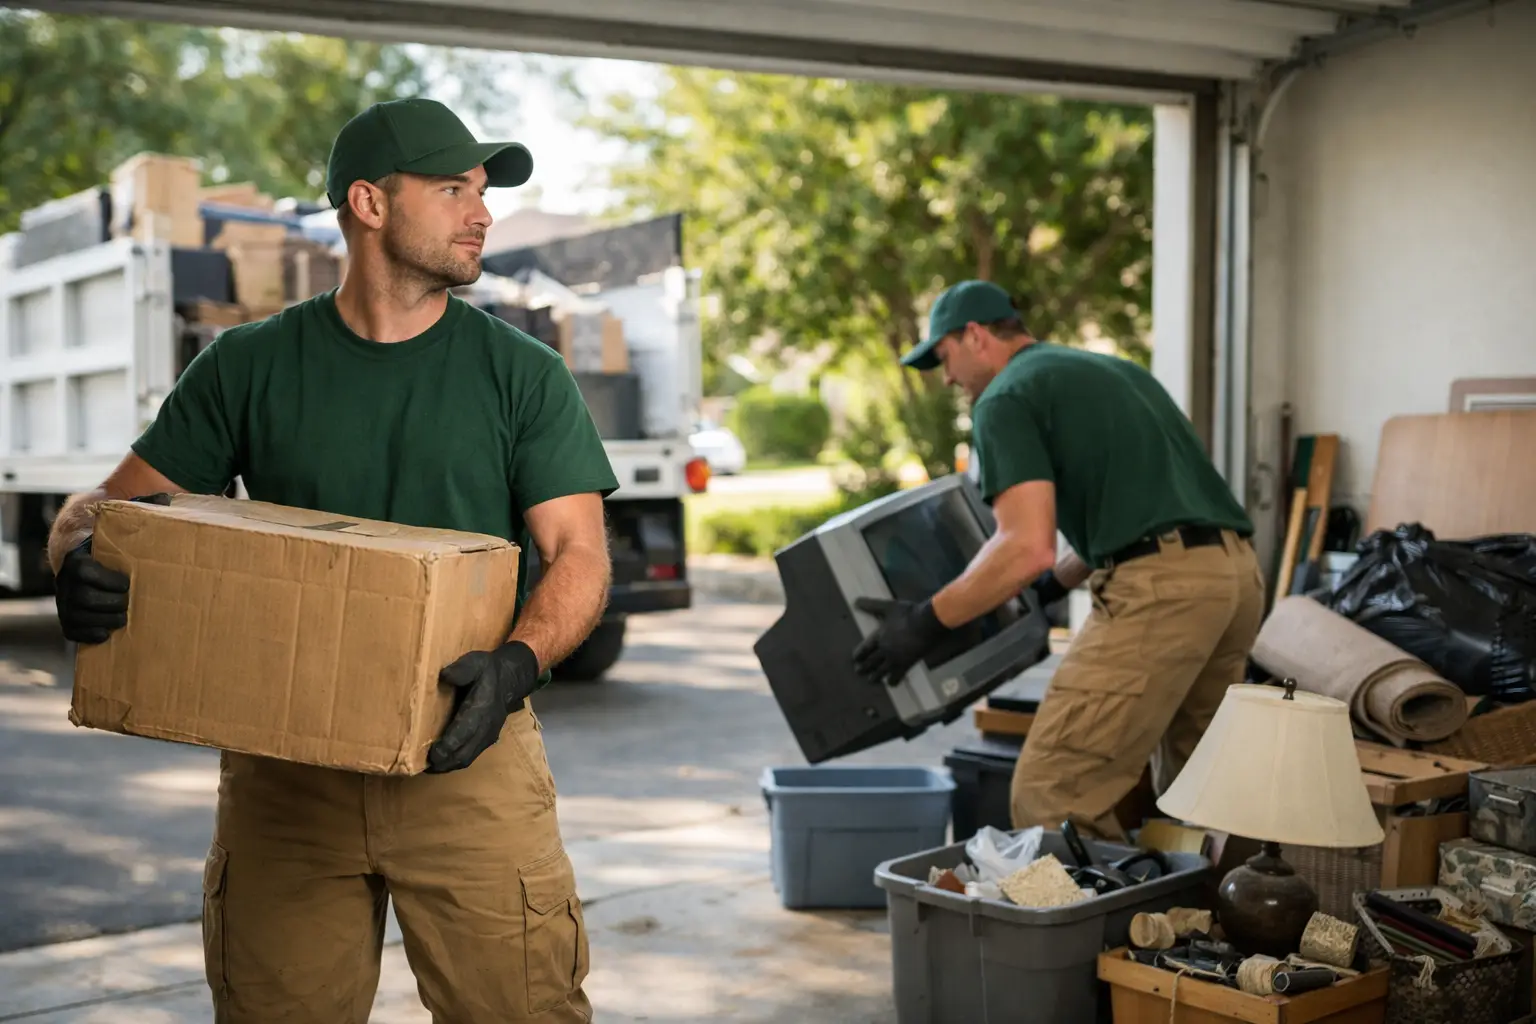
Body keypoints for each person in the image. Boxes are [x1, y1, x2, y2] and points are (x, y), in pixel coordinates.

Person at [47, 98, 615, 1023]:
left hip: (468, 761)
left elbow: (579, 555)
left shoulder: (521, 374)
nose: (482, 213)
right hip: (285, 774)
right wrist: (74, 556)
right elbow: (103, 510)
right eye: (452, 189)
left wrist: (518, 663)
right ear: (370, 203)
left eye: (482, 191)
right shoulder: (248, 366)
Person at [853, 280, 1265, 841]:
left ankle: (1097, 927)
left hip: (1165, 595)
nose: (947, 378)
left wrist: (925, 622)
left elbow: (1025, 545)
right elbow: (1136, 517)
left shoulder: (1003, 398)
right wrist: (1047, 587)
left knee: (1054, 793)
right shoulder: (1112, 373)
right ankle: (1200, 922)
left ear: (973, 336)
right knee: (1201, 787)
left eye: (944, 358)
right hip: (1233, 576)